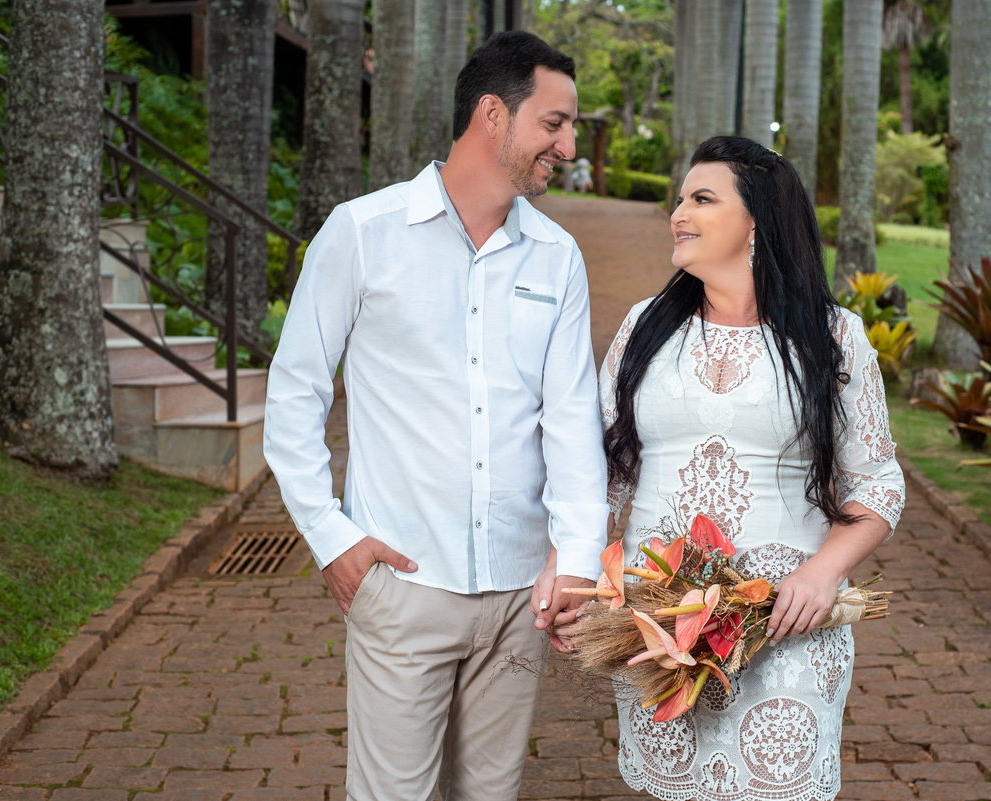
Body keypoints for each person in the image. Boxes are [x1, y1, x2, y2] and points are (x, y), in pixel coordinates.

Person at [263, 31, 608, 801]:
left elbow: (572, 422)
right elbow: (295, 396)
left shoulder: (557, 257)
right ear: (493, 114)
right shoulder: (361, 234)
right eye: (554, 123)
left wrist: (577, 558)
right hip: (402, 588)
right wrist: (332, 538)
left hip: (521, 596)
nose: (568, 143)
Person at [594, 136, 905, 801]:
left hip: (783, 628)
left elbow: (877, 482)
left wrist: (822, 575)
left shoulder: (835, 337)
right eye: (680, 198)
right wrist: (593, 580)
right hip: (658, 629)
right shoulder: (643, 327)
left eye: (702, 198)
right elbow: (603, 472)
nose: (680, 211)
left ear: (758, 222)